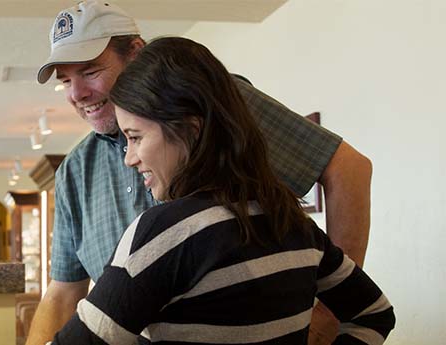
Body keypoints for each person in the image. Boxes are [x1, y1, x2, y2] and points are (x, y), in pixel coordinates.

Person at [29, 1, 373, 344]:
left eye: (90, 72)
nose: (77, 94)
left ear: (135, 54)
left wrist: (327, 316)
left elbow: (348, 168)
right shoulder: (74, 170)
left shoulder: (217, 103)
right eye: (65, 81)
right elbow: (61, 293)